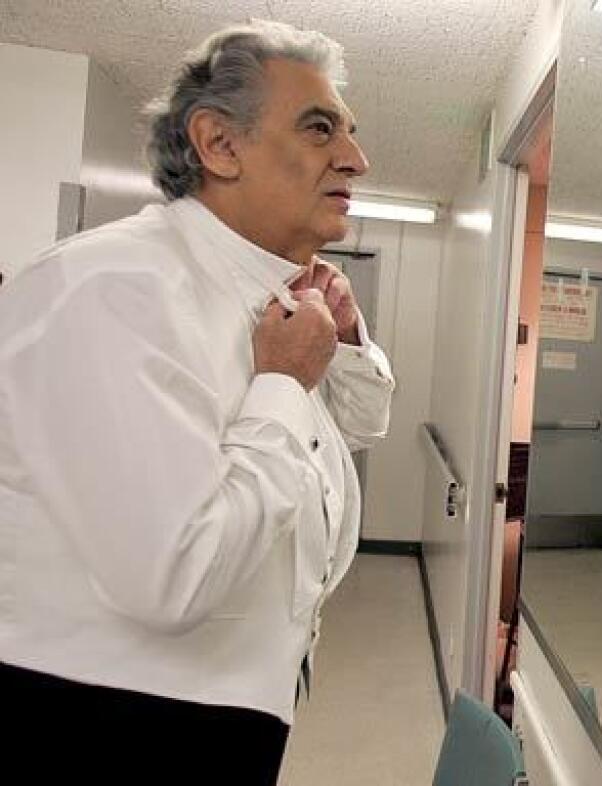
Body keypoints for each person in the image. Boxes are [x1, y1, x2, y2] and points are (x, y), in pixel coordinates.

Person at [0, 20, 394, 784]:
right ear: (218, 144)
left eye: (350, 132)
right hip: (112, 724)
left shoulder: (275, 296)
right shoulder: (114, 290)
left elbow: (360, 425)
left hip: (234, 701)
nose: (357, 159)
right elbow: (176, 575)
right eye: (321, 129)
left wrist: (336, 344)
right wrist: (281, 382)